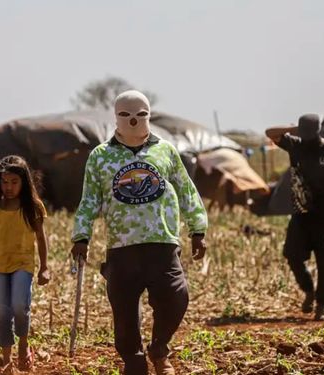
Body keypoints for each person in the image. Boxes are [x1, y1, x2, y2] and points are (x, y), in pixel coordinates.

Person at [70, 90, 208, 375]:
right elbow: (89, 199)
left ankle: (159, 349)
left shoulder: (166, 151)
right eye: (126, 115)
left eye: (140, 114)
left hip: (162, 240)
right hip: (122, 246)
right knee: (124, 313)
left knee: (175, 298)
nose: (133, 121)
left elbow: (186, 190)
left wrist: (198, 230)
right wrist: (81, 236)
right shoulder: (101, 156)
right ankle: (134, 361)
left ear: (149, 115)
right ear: (116, 117)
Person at [265, 114, 324, 321]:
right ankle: (309, 290)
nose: (306, 138)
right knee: (292, 254)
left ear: (319, 130)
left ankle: (322, 305)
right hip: (301, 212)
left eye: (309, 133)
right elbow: (270, 133)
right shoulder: (295, 144)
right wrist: (296, 130)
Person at [0, 155, 50, 374]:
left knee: (19, 305)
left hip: (23, 264)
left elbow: (42, 238)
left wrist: (44, 267)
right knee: (1, 310)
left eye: (14, 182)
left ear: (24, 182)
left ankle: (23, 344)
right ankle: (7, 359)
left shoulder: (32, 207)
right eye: (5, 182)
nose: (9, 187)